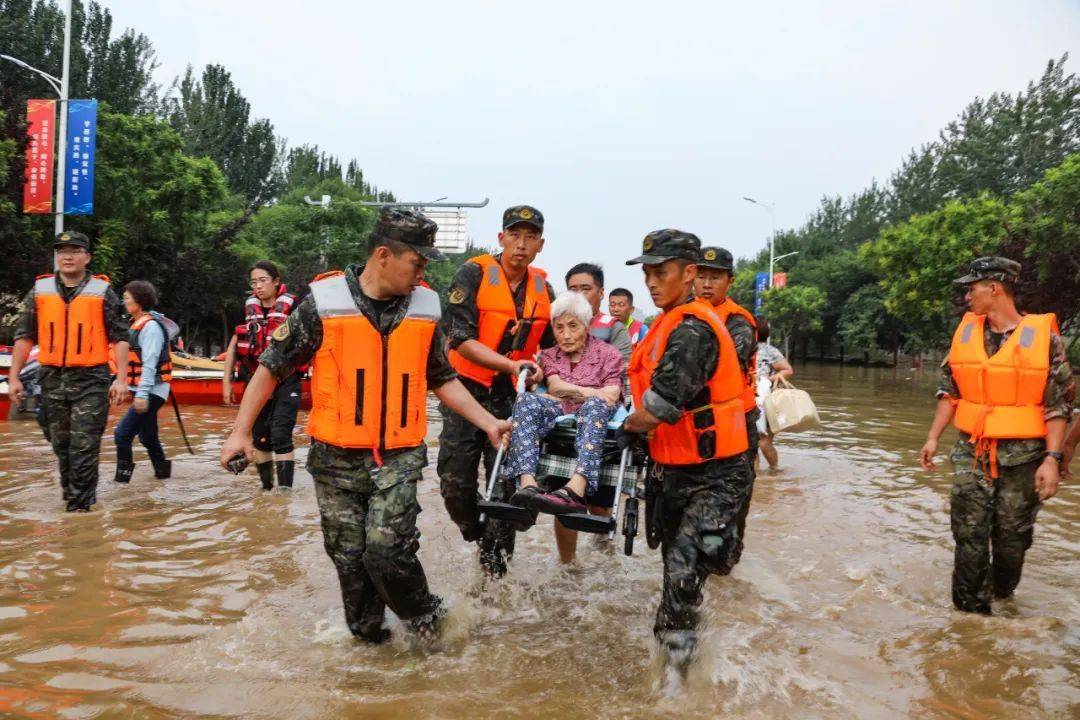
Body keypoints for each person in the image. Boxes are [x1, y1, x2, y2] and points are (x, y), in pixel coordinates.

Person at [220, 209, 511, 644]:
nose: (423, 271)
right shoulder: (323, 302)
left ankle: (431, 623)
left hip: (398, 456)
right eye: (418, 261)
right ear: (383, 255)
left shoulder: (426, 307)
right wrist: (241, 431)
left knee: (387, 549)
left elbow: (442, 378)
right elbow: (271, 367)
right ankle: (371, 646)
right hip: (335, 460)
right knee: (350, 561)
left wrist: (488, 423)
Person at [620, 229, 751, 672]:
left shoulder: (693, 329)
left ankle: (676, 683)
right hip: (672, 471)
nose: (652, 283)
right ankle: (677, 650)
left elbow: (659, 407)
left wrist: (619, 427)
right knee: (677, 570)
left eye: (661, 273)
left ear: (688, 273)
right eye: (647, 274)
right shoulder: (661, 324)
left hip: (716, 475)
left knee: (683, 569)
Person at [919, 257, 1073, 615]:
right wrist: (932, 438)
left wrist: (1053, 460)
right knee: (968, 534)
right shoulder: (966, 332)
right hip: (971, 450)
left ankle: (1003, 599)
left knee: (1011, 539)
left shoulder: (1044, 339)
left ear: (995, 288)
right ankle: (970, 622)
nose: (967, 295)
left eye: (972, 288)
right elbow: (949, 392)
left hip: (1025, 457)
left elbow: (1059, 407)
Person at [439, 205, 556, 578]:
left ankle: (494, 579)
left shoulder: (544, 289)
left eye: (530, 237)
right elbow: (459, 338)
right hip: (466, 392)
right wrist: (509, 364)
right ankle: (474, 531)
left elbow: (552, 350)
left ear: (540, 244)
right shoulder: (472, 273)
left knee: (505, 489)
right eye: (515, 235)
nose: (521, 244)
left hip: (513, 398)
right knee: (455, 485)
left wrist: (544, 375)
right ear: (501, 238)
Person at [7, 231, 130, 511]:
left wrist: (121, 379)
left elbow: (119, 338)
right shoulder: (40, 291)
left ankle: (79, 516)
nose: (68, 256)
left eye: (75, 250)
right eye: (62, 251)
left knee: (84, 448)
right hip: (50, 379)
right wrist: (14, 377)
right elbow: (24, 336)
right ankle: (73, 498)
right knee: (62, 446)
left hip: (91, 380)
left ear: (87, 257)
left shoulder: (102, 292)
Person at [501, 291, 624, 563]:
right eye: (559, 327)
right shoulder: (549, 355)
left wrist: (572, 393)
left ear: (586, 326)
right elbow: (554, 387)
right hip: (560, 412)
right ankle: (528, 486)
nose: (566, 335)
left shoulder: (609, 355)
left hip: (595, 414)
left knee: (596, 407)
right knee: (525, 402)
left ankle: (576, 488)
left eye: (573, 326)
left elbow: (611, 397)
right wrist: (590, 391)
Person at [694, 246, 759, 567]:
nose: (707, 284)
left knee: (733, 500)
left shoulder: (738, 322)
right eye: (702, 276)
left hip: (736, 425)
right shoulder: (684, 314)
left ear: (729, 281)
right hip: (695, 425)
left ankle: (726, 563)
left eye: (715, 277)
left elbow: (724, 364)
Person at [222, 261, 302, 490]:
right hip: (255, 380)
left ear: (276, 281)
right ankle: (266, 490)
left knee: (280, 435)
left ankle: (285, 493)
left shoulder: (294, 306)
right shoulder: (249, 309)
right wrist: (226, 383)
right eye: (254, 282)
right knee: (261, 439)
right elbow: (234, 345)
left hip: (286, 379)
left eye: (263, 280)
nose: (257, 286)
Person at [113, 281, 174, 483]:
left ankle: (122, 483)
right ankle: (163, 475)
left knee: (122, 434)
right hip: (144, 388)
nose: (124, 303)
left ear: (138, 302)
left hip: (152, 390)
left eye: (127, 299)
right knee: (147, 437)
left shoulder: (151, 327)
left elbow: (149, 364)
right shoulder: (134, 324)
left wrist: (141, 394)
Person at [565, 263, 633, 363]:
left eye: (585, 289)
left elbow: (621, 369)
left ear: (601, 293)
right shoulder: (558, 327)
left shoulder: (616, 329)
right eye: (573, 290)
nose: (579, 296)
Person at [753, 316, 794, 470]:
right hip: (747, 401)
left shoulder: (769, 351)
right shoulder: (740, 348)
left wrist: (766, 380)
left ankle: (775, 470)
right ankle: (756, 481)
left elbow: (788, 370)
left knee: (764, 443)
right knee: (750, 446)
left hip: (767, 402)